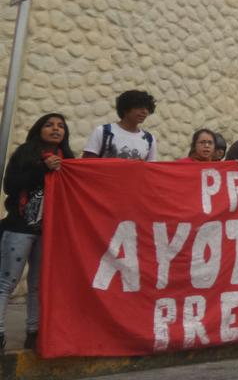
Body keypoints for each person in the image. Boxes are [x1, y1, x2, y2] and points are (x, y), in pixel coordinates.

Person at [0, 113, 75, 350]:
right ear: (38, 129)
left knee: (37, 284)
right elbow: (10, 186)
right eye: (49, 125)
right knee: (7, 282)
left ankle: (33, 332)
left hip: (50, 231)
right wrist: (43, 168)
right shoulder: (25, 153)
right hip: (20, 228)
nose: (56, 129)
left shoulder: (69, 160)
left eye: (61, 126)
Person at [83, 89, 158, 160]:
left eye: (148, 108)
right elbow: (87, 164)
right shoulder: (103, 132)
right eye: (140, 107)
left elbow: (150, 167)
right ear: (125, 108)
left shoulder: (149, 139)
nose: (145, 111)